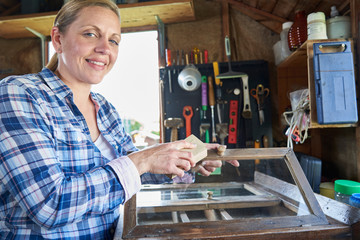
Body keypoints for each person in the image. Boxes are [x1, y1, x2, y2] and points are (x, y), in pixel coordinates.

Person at [0, 0, 239, 239]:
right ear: (58, 39)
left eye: (114, 40)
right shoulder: (19, 93)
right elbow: (49, 205)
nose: (105, 48)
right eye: (91, 34)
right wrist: (143, 159)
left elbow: (136, 173)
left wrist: (185, 158)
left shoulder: (105, 109)